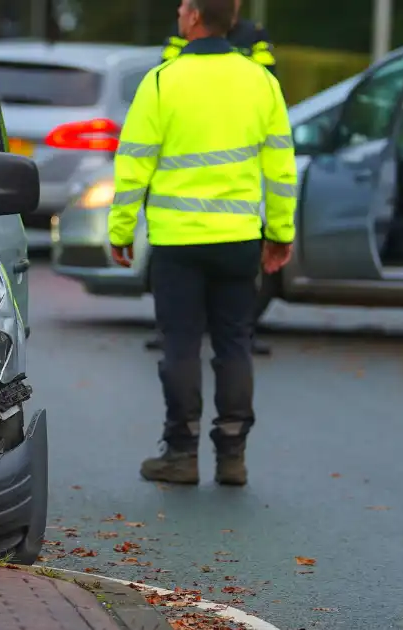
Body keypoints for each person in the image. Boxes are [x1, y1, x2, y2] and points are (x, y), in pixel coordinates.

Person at [108, 0, 296, 486]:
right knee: (235, 343)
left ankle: (182, 452)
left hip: (177, 242)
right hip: (237, 239)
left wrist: (121, 229)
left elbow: (133, 164)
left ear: (193, 17)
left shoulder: (162, 81)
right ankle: (232, 457)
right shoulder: (262, 82)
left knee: (181, 345)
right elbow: (280, 168)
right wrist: (279, 233)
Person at [146, 0, 278, 355]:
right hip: (221, 188)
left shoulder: (253, 35)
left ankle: (183, 406)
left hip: (221, 175)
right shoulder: (191, 39)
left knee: (189, 336)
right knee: (224, 332)